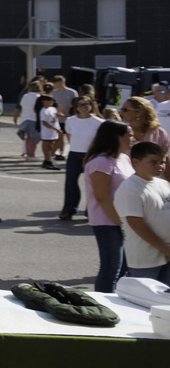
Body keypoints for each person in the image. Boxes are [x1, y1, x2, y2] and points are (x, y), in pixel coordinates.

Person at [83, 120, 134, 293]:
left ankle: (115, 302)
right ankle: (102, 305)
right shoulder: (101, 162)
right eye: (129, 135)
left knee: (123, 269)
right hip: (107, 222)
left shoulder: (124, 158)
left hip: (125, 221)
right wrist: (122, 223)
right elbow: (102, 197)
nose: (133, 138)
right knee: (110, 269)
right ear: (117, 137)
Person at [116, 141, 170, 284]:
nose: (160, 167)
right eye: (153, 162)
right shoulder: (130, 188)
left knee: (165, 303)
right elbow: (136, 224)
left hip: (167, 253)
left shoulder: (163, 184)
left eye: (162, 162)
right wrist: (164, 248)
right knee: (146, 301)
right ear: (136, 162)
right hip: (146, 258)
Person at [59, 96, 106, 220]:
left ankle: (91, 211)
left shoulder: (98, 122)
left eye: (86, 104)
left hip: (92, 155)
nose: (83, 107)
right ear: (76, 107)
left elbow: (100, 141)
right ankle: (69, 210)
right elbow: (70, 136)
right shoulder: (70, 120)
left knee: (92, 184)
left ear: (91, 106)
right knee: (71, 183)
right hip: (74, 154)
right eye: (80, 104)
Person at [37, 93, 62, 170]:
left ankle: (48, 160)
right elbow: (44, 122)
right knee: (47, 146)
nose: (50, 102)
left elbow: (56, 115)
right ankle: (48, 161)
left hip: (54, 130)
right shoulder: (43, 111)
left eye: (51, 100)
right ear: (43, 101)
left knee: (53, 145)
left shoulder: (52, 109)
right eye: (48, 100)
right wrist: (55, 129)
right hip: (47, 131)